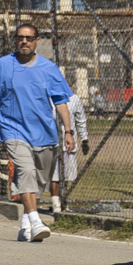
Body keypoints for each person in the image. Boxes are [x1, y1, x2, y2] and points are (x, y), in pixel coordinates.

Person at [0, 23, 77, 242]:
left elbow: (61, 101)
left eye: (28, 38)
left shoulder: (49, 68)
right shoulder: (3, 65)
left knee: (39, 180)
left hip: (44, 133)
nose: (24, 41)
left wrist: (69, 131)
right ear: (15, 40)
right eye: (20, 37)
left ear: (36, 41)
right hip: (12, 129)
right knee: (25, 169)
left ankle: (25, 223)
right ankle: (35, 220)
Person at [49, 86, 88, 214]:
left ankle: (63, 202)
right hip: (52, 143)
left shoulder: (74, 99)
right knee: (54, 176)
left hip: (69, 144)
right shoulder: (48, 98)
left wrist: (84, 139)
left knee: (65, 176)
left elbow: (80, 119)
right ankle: (56, 205)